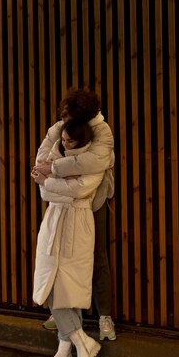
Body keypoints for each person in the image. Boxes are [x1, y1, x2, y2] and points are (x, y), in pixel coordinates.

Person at [34, 88, 116, 341]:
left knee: (96, 256)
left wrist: (54, 170)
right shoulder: (59, 127)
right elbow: (40, 162)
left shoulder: (101, 130)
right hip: (60, 203)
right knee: (58, 255)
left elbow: (93, 166)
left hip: (94, 201)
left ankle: (104, 315)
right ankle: (63, 313)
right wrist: (55, 180)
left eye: (70, 115)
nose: (65, 119)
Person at [31, 118, 104, 357]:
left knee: (68, 284)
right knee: (51, 281)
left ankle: (71, 348)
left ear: (82, 140)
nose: (64, 144)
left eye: (70, 141)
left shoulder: (93, 161)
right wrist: (56, 186)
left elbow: (81, 189)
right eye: (62, 139)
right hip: (54, 220)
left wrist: (49, 182)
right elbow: (47, 194)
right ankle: (77, 345)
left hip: (77, 224)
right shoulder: (54, 156)